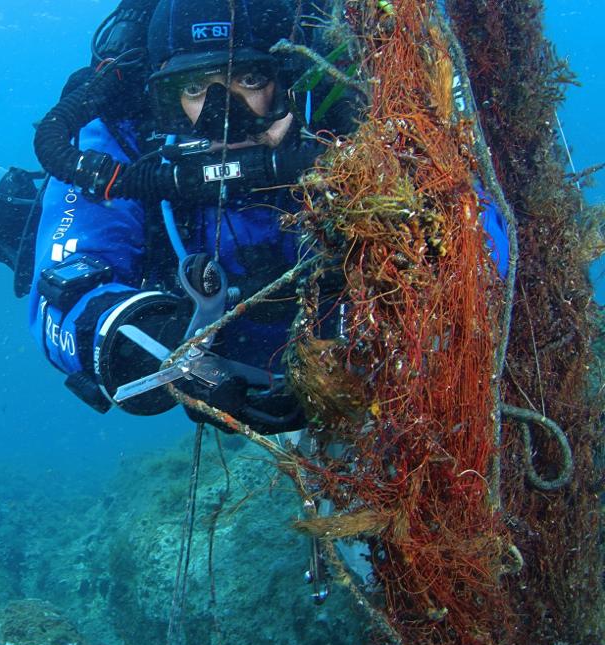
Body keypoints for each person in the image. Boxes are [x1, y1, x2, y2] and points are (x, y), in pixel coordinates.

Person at [27, 0, 507, 435]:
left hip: (356, 358)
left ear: (290, 76)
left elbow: (481, 243)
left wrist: (374, 326)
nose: (221, 117)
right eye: (194, 88)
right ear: (163, 96)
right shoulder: (124, 138)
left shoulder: (351, 111)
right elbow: (58, 298)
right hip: (213, 344)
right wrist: (164, 347)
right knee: (15, 223)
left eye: (249, 81)